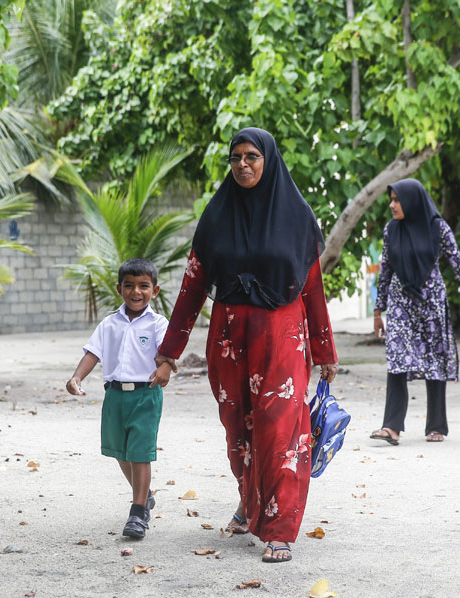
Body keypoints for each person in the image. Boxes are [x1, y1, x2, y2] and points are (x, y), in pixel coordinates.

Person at [155, 127, 338, 564]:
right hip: (229, 339)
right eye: (235, 157)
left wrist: (325, 350)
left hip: (283, 338)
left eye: (252, 156)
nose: (242, 165)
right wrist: (169, 351)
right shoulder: (216, 216)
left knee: (281, 430)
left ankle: (279, 529)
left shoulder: (297, 217)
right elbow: (193, 284)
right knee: (240, 431)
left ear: (268, 160)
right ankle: (250, 502)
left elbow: (312, 289)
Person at [369, 179, 460, 445]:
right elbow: (386, 270)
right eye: (391, 200)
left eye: (397, 200)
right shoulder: (391, 230)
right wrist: (377, 310)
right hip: (401, 303)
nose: (392, 205)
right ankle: (391, 426)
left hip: (431, 302)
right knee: (397, 360)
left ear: (412, 201)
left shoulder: (438, 228)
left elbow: (459, 265)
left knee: (434, 360)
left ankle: (436, 425)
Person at [65, 258, 173, 539]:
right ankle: (144, 493)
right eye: (129, 286)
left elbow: (170, 352)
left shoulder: (159, 324)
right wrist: (77, 377)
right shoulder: (109, 324)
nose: (136, 292)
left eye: (143, 286)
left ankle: (138, 512)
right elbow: (92, 353)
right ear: (119, 288)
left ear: (155, 290)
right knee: (119, 451)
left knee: (140, 451)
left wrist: (166, 367)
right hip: (114, 395)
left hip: (146, 395)